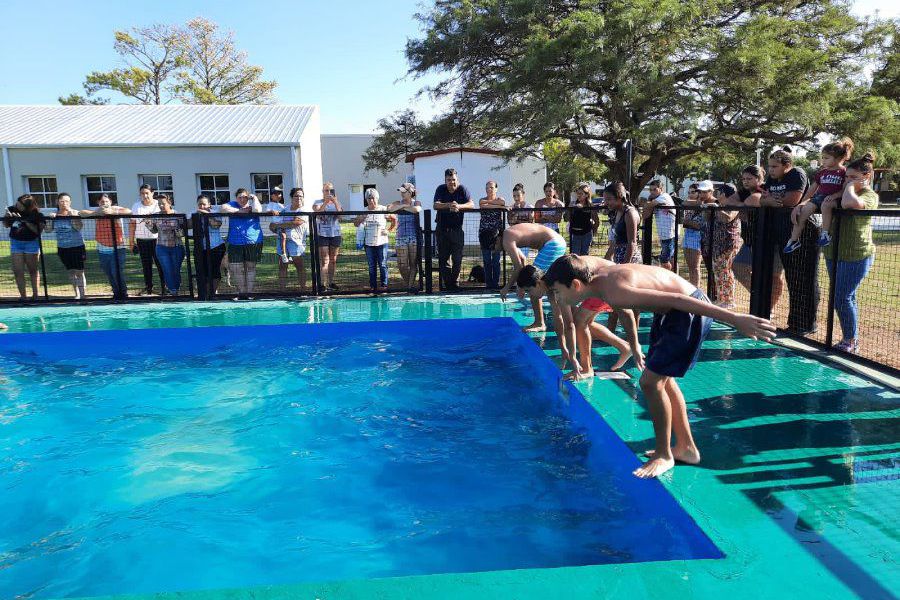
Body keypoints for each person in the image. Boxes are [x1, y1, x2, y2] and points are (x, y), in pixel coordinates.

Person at [543, 254, 776, 478]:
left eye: (556, 291)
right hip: (671, 313)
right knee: (663, 380)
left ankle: (665, 455)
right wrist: (633, 345)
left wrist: (734, 319)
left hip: (687, 311)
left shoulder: (615, 292)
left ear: (575, 285)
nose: (556, 297)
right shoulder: (599, 277)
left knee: (650, 382)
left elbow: (679, 300)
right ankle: (685, 447)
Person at [517, 259, 639, 380]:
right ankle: (624, 347)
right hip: (606, 277)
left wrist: (573, 356)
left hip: (608, 279)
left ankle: (586, 369)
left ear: (538, 283)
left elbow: (569, 325)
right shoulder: (549, 284)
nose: (530, 295)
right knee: (585, 322)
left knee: (580, 321)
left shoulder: (557, 284)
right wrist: (563, 348)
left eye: (529, 291)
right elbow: (558, 319)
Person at [822, 152, 880, 353]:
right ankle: (850, 337)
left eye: (853, 177)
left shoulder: (869, 196)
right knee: (846, 297)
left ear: (867, 177)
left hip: (856, 255)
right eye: (846, 177)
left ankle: (850, 340)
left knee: (842, 297)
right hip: (833, 253)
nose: (848, 181)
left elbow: (849, 204)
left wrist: (848, 187)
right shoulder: (840, 193)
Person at [761, 146, 816, 334]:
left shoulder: (797, 174)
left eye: (775, 167)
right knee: (792, 279)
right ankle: (795, 324)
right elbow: (763, 199)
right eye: (769, 167)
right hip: (780, 234)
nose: (770, 170)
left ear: (787, 165)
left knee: (802, 278)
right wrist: (770, 200)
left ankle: (805, 325)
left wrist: (773, 199)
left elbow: (793, 200)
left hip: (801, 233)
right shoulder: (772, 178)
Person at [727, 166, 785, 307]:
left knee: (775, 277)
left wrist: (743, 206)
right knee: (738, 266)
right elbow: (728, 202)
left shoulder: (766, 189)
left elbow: (752, 201)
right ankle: (760, 296)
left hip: (773, 241)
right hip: (751, 240)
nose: (745, 182)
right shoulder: (743, 192)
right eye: (743, 179)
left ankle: (768, 308)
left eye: (749, 178)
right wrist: (743, 206)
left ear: (759, 179)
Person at [785, 138, 853, 252]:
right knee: (802, 213)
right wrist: (801, 204)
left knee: (826, 206)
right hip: (818, 198)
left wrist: (836, 195)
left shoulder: (844, 172)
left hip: (833, 200)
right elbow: (812, 189)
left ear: (838, 159)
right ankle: (793, 240)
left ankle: (825, 234)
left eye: (826, 158)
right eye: (823, 157)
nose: (823, 160)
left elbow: (846, 188)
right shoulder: (822, 172)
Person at [497, 222, 568, 331]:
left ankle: (540, 323)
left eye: (493, 247)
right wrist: (520, 286)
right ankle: (559, 318)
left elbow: (518, 267)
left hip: (552, 244)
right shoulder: (509, 234)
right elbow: (522, 261)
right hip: (557, 242)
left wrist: (507, 288)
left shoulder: (506, 239)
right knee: (545, 282)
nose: (494, 250)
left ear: (497, 239)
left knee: (534, 283)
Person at [80, 194, 131, 300]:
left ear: (111, 202)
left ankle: (123, 293)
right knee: (109, 272)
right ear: (99, 203)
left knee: (116, 271)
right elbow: (81, 213)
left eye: (107, 201)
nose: (104, 204)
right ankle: (116, 293)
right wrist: (96, 213)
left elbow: (128, 211)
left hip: (118, 248)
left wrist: (114, 212)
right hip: (102, 249)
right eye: (102, 202)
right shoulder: (97, 211)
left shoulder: (116, 209)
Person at [702, 183, 742, 309]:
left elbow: (728, 218)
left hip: (728, 244)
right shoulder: (719, 205)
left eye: (718, 192)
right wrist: (708, 209)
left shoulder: (733, 205)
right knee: (718, 271)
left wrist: (717, 208)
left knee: (726, 271)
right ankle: (721, 298)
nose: (716, 194)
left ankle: (728, 300)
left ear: (723, 194)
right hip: (716, 244)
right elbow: (707, 219)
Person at [433, 168, 474, 290]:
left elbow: (472, 204)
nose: (452, 182)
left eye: (454, 180)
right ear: (445, 180)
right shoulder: (440, 189)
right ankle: (448, 285)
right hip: (442, 229)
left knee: (457, 258)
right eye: (449, 180)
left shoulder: (462, 189)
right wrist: (449, 205)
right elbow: (435, 205)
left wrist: (459, 206)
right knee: (444, 259)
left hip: (457, 229)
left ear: (458, 179)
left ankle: (455, 283)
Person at [218, 188, 263, 296]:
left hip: (253, 241)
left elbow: (258, 210)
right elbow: (222, 208)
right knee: (236, 268)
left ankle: (249, 293)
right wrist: (239, 211)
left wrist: (255, 198)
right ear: (236, 198)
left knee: (250, 268)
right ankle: (242, 293)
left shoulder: (253, 205)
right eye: (240, 197)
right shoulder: (232, 204)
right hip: (235, 242)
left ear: (249, 197)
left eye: (245, 197)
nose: (242, 199)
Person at [354, 188, 397, 294]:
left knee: (382, 264)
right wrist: (361, 218)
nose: (371, 200)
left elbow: (394, 219)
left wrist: (389, 230)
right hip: (368, 243)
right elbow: (355, 223)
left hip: (381, 242)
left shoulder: (383, 209)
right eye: (369, 198)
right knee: (371, 265)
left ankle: (384, 285)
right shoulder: (364, 211)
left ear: (377, 198)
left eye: (373, 198)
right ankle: (373, 286)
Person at [45, 192, 87, 299]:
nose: (64, 203)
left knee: (79, 272)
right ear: (57, 202)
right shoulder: (54, 214)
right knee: (71, 272)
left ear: (70, 202)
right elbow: (48, 230)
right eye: (62, 201)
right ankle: (76, 294)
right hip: (63, 248)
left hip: (77, 246)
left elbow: (78, 228)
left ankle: (83, 295)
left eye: (67, 201)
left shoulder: (75, 212)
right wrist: (50, 219)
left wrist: (72, 216)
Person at [3, 194, 45, 300]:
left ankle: (35, 295)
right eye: (17, 202)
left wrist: (24, 221)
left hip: (31, 243)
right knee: (18, 271)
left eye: (20, 204)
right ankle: (23, 297)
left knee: (33, 270)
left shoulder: (37, 214)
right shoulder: (12, 209)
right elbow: (6, 225)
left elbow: (38, 231)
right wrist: (7, 217)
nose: (17, 205)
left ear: (27, 206)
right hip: (16, 243)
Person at [145, 194, 185, 296]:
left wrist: (177, 230)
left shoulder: (178, 215)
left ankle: (176, 288)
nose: (161, 206)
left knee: (176, 270)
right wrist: (148, 223)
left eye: (163, 203)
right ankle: (173, 291)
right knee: (167, 270)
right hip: (161, 247)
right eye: (159, 204)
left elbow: (182, 234)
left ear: (169, 203)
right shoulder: (156, 215)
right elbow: (154, 231)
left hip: (177, 247)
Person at [270, 187, 309, 292]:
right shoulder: (285, 209)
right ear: (292, 197)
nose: (299, 198)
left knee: (299, 265)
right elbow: (274, 222)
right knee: (282, 265)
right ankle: (282, 290)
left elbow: (295, 222)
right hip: (282, 240)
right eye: (296, 195)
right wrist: (274, 227)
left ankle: (303, 289)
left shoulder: (303, 210)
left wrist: (278, 225)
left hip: (296, 241)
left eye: (301, 196)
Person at [129, 184, 165, 296]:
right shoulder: (136, 206)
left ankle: (165, 288)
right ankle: (149, 289)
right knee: (146, 265)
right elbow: (132, 224)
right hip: (142, 240)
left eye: (147, 193)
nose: (145, 196)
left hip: (157, 239)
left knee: (160, 264)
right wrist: (131, 241)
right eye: (142, 193)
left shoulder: (158, 205)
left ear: (152, 193)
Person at [388, 183, 422, 293]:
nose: (402, 193)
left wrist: (403, 208)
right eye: (401, 191)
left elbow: (417, 209)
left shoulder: (416, 202)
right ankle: (410, 285)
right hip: (401, 237)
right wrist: (404, 206)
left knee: (413, 263)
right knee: (402, 265)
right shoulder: (398, 203)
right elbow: (389, 208)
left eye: (404, 191)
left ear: (410, 192)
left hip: (413, 237)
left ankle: (409, 288)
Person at [194, 194, 227, 298]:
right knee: (204, 272)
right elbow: (189, 225)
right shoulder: (195, 214)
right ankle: (207, 293)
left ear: (209, 205)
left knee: (214, 271)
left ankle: (211, 293)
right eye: (200, 204)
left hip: (216, 247)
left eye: (204, 204)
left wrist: (206, 215)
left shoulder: (215, 214)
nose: (202, 206)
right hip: (201, 248)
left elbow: (216, 225)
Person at [313, 182, 343, 291]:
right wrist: (325, 203)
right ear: (322, 192)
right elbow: (318, 213)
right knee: (325, 260)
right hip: (323, 234)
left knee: (333, 260)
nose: (328, 192)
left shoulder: (337, 203)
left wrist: (335, 202)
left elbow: (341, 217)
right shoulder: (317, 202)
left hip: (335, 234)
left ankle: (331, 282)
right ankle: (323, 284)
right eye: (326, 190)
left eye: (331, 190)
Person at [641, 180, 676, 270]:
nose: (652, 192)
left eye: (654, 189)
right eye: (650, 190)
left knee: (664, 260)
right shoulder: (655, 199)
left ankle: (669, 278)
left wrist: (647, 202)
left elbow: (648, 206)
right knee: (671, 258)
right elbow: (645, 215)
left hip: (670, 234)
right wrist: (648, 202)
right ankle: (674, 277)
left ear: (661, 189)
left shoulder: (664, 196)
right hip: (663, 234)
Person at [478, 180, 507, 290]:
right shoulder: (482, 200)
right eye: (487, 188)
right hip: (484, 233)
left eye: (491, 187)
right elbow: (482, 205)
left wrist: (490, 204)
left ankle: (495, 284)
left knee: (496, 260)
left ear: (496, 189)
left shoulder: (501, 199)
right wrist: (497, 205)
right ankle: (488, 284)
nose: (489, 189)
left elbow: (502, 203)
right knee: (486, 260)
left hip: (497, 235)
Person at [606, 182, 642, 265]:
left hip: (630, 260)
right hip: (619, 257)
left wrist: (625, 265)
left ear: (619, 197)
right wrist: (606, 259)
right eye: (605, 199)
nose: (606, 203)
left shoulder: (629, 213)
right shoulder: (617, 212)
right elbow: (615, 240)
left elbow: (632, 242)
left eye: (609, 199)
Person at [681, 183, 704, 287]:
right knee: (690, 266)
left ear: (699, 192)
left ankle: (697, 289)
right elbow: (685, 222)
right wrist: (688, 222)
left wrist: (688, 222)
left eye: (693, 192)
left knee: (695, 266)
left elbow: (700, 225)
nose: (690, 194)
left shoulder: (703, 205)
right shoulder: (690, 205)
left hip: (697, 237)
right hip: (687, 235)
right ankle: (692, 287)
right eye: (689, 192)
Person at [566, 182, 599, 255]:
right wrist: (570, 209)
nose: (579, 195)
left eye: (581, 194)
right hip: (575, 233)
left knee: (584, 254)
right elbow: (567, 218)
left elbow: (596, 220)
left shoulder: (590, 205)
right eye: (578, 193)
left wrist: (594, 230)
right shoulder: (573, 204)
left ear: (586, 195)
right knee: (575, 255)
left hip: (586, 233)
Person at [264, 186, 288, 266]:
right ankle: (283, 254)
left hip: (284, 225)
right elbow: (267, 212)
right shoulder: (271, 204)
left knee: (286, 238)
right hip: (277, 225)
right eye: (276, 194)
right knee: (283, 236)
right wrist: (272, 211)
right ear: (272, 195)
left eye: (280, 193)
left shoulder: (281, 205)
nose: (279, 195)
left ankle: (288, 254)